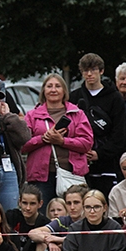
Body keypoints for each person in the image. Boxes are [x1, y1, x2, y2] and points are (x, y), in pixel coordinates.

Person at [22, 74, 93, 209]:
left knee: (73, 214)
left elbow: (87, 143)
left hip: (71, 174)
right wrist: (43, 139)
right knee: (44, 215)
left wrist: (62, 141)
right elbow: (22, 145)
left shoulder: (77, 113)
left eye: (57, 86)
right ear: (43, 91)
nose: (53, 90)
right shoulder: (32, 115)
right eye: (49, 86)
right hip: (41, 177)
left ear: (64, 91)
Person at [69, 53, 126, 196]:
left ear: (101, 71)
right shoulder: (74, 97)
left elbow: (119, 132)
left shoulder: (115, 97)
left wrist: (99, 153)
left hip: (108, 163)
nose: (89, 74)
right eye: (85, 70)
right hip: (79, 162)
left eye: (93, 69)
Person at [27, 184, 89, 251]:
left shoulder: (90, 220)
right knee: (41, 243)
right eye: (69, 203)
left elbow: (84, 242)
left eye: (76, 203)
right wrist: (49, 242)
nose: (72, 207)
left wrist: (57, 240)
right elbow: (32, 233)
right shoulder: (62, 221)